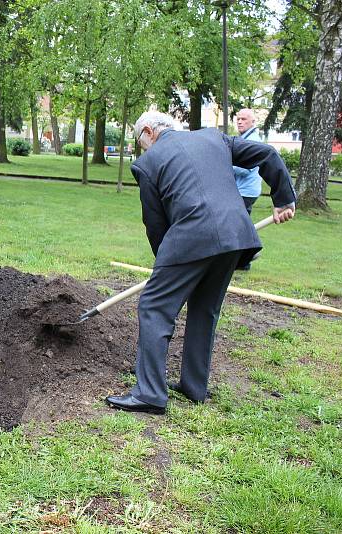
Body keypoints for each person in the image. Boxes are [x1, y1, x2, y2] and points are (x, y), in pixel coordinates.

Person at [105, 111, 296, 415]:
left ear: (149, 133)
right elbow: (267, 153)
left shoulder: (147, 164)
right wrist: (284, 198)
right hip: (236, 234)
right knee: (204, 308)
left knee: (154, 306)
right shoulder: (213, 137)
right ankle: (194, 387)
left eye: (140, 141)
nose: (142, 149)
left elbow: (155, 224)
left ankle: (149, 393)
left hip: (193, 234)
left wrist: (165, 268)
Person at [233, 108, 264, 270]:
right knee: (239, 224)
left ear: (253, 122)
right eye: (238, 119)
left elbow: (247, 168)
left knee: (237, 225)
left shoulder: (252, 140)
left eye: (244, 119)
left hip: (246, 191)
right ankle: (243, 261)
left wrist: (226, 165)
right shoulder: (244, 139)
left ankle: (250, 253)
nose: (239, 122)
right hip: (243, 190)